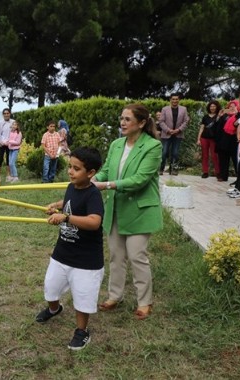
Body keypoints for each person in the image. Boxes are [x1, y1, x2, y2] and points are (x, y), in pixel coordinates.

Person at [93, 103, 162, 321]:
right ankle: (115, 296)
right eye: (121, 118)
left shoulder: (152, 146)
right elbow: (106, 171)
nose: (122, 123)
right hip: (115, 209)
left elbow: (140, 179)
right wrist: (93, 180)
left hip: (140, 210)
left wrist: (107, 185)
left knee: (137, 256)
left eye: (127, 119)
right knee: (116, 256)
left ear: (141, 123)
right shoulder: (116, 144)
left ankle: (144, 301)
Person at [36, 147, 104, 351]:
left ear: (90, 173)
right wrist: (56, 206)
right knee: (50, 289)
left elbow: (94, 222)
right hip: (62, 254)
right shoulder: (71, 186)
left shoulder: (93, 195)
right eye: (70, 167)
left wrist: (65, 217)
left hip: (86, 260)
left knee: (83, 300)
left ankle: (82, 331)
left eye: (76, 169)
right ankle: (54, 309)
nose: (70, 172)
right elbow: (68, 201)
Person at [158, 93, 189, 175]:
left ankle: (173, 169)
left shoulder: (183, 109)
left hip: (178, 134)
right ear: (170, 100)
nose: (175, 101)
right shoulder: (164, 109)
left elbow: (186, 121)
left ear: (179, 100)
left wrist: (178, 130)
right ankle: (161, 169)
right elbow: (161, 121)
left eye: (176, 99)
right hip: (166, 134)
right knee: (164, 152)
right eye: (173, 99)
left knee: (175, 153)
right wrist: (168, 130)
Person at [215, 100, 240, 184]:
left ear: (238, 107)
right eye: (230, 106)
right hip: (224, 142)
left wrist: (237, 114)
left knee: (236, 161)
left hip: (235, 142)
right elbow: (218, 128)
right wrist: (219, 117)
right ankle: (223, 176)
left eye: (234, 106)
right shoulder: (225, 116)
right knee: (223, 160)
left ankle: (239, 178)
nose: (232, 107)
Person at [196, 100, 221, 179]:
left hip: (214, 139)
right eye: (211, 106)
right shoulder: (205, 117)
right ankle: (205, 172)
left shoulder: (219, 116)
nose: (212, 108)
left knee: (214, 156)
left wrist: (219, 116)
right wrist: (198, 139)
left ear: (216, 107)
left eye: (214, 106)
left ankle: (217, 172)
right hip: (204, 138)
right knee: (205, 155)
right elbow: (202, 127)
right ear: (209, 107)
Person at [0, 108, 14, 181]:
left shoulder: (13, 122)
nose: (6, 115)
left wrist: (9, 141)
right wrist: (0, 142)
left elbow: (15, 133)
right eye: (5, 113)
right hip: (1, 144)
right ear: (3, 115)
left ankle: (8, 175)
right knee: (0, 159)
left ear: (10, 114)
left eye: (7, 113)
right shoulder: (0, 123)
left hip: (10, 144)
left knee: (8, 159)